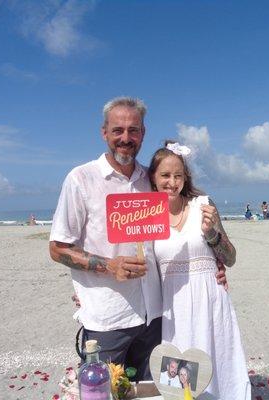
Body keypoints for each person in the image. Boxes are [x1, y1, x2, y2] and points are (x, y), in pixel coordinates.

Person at [49, 97, 226, 381]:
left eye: (134, 130)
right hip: (108, 319)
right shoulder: (81, 179)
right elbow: (57, 248)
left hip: (155, 319)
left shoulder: (152, 180)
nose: (126, 138)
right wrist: (109, 266)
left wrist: (210, 264)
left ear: (143, 133)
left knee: (153, 392)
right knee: (102, 392)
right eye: (118, 130)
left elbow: (180, 229)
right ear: (103, 132)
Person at [149, 141, 251, 400]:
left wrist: (212, 234)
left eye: (178, 176)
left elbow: (230, 258)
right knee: (178, 376)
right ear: (153, 177)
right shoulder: (146, 216)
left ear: (186, 178)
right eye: (165, 175)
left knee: (217, 364)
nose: (172, 182)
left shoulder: (203, 205)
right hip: (174, 308)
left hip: (210, 299)